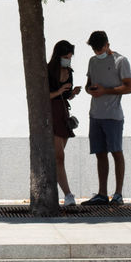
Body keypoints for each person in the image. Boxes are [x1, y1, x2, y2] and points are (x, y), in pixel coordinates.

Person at [81, 30, 131, 206]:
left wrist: (106, 91)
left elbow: (129, 87)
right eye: (94, 49)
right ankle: (102, 193)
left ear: (107, 44)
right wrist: (90, 90)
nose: (97, 52)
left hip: (113, 116)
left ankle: (118, 194)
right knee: (100, 154)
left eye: (100, 48)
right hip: (95, 114)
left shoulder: (121, 61)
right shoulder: (92, 62)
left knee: (116, 152)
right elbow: (88, 84)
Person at [47, 39, 81, 207]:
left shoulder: (69, 71)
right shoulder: (48, 70)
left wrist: (72, 93)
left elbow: (65, 96)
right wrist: (58, 91)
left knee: (58, 158)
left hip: (63, 113)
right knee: (59, 157)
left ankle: (58, 189)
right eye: (67, 56)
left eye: (70, 57)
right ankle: (68, 194)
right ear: (59, 55)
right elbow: (42, 94)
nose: (69, 60)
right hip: (51, 113)